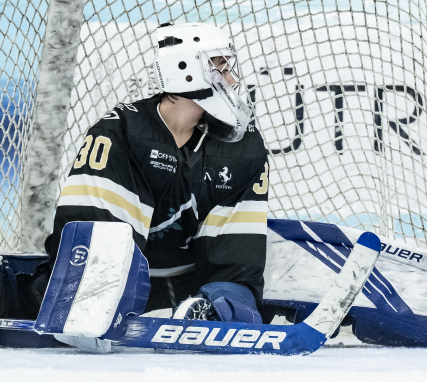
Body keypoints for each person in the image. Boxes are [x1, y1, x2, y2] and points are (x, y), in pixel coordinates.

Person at [32, 22, 271, 324]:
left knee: (236, 299)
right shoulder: (121, 133)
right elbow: (92, 240)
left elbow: (238, 255)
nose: (232, 80)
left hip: (192, 287)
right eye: (221, 70)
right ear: (186, 72)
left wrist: (223, 299)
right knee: (89, 278)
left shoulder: (244, 146)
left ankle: (206, 309)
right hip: (120, 284)